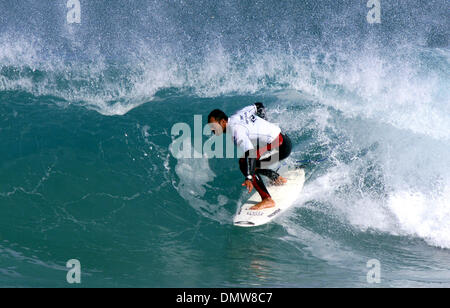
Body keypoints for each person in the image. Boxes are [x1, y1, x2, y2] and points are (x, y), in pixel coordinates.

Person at [208, 102, 292, 210]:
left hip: (281, 148)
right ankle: (275, 178)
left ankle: (267, 199)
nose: (212, 129)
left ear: (223, 122)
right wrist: (265, 123)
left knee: (245, 164)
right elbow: (259, 106)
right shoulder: (237, 114)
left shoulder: (235, 132)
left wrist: (249, 176)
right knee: (250, 162)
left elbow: (250, 154)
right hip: (283, 139)